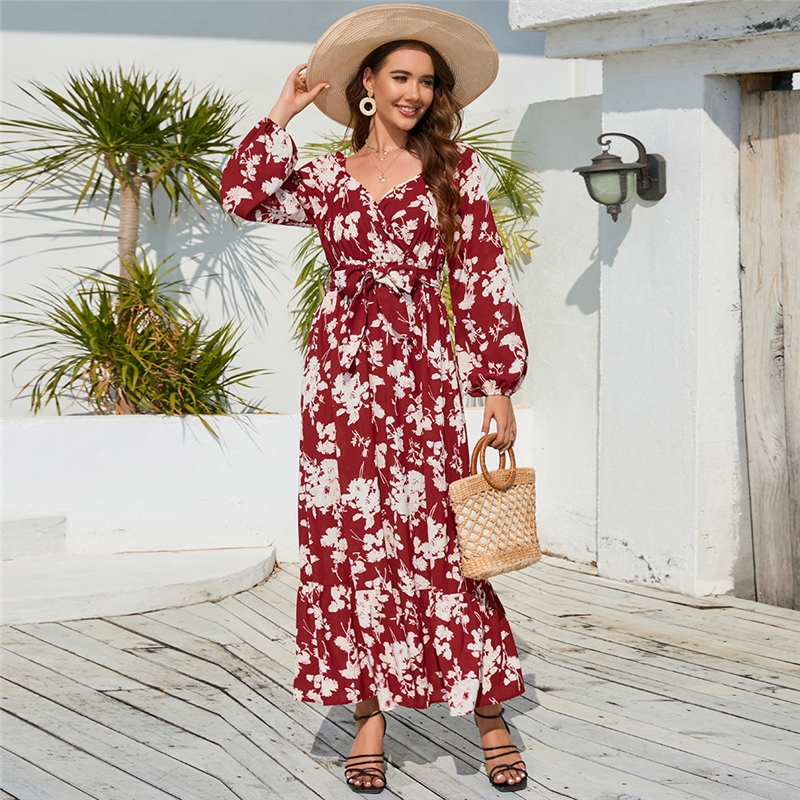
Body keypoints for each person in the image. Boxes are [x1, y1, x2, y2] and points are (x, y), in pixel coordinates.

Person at [221, 5, 529, 793]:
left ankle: (489, 712)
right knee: (350, 539)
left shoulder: (455, 171)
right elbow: (243, 198)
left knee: (441, 537)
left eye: (426, 81)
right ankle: (368, 716)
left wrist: (496, 383)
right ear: (367, 81)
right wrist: (281, 112)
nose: (414, 93)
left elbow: (482, 274)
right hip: (341, 380)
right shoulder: (326, 177)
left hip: (423, 375)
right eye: (400, 76)